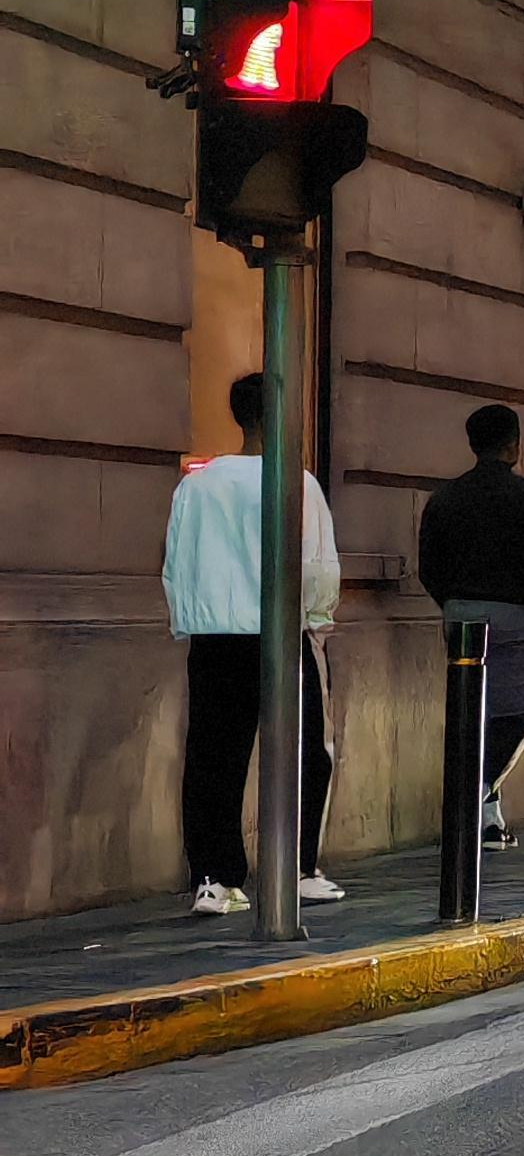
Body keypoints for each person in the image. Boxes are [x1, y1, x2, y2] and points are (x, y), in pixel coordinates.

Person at [164, 370, 343, 918]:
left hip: (215, 635)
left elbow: (177, 562)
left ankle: (212, 879)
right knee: (305, 753)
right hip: (281, 633)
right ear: (282, 414)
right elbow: (317, 566)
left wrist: (188, 621)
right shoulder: (298, 482)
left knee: (212, 758)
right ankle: (298, 868)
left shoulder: (197, 486)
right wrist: (318, 619)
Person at [417, 403, 524, 850]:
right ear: (514, 446)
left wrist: (451, 604)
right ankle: (475, 793)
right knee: (517, 716)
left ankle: (488, 819)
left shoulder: (445, 498)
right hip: (517, 617)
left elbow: (428, 566)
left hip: (460, 613)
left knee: (472, 712)